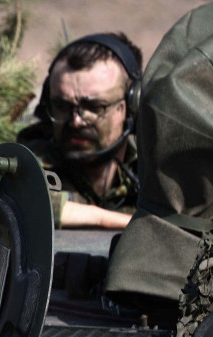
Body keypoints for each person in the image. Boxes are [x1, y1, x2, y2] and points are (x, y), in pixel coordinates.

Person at [17, 33, 143, 230]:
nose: (76, 122)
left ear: (130, 107)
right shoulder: (24, 163)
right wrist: (105, 219)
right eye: (62, 106)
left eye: (94, 107)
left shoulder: (153, 175)